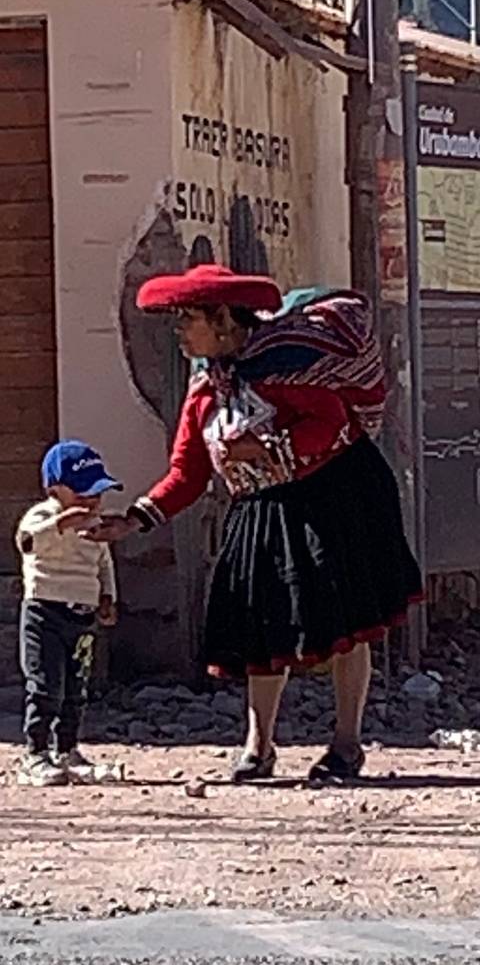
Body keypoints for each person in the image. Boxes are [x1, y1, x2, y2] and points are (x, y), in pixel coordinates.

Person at [86, 264, 422, 784]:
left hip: (334, 496)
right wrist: (134, 519)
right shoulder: (206, 389)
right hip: (262, 507)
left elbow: (330, 422)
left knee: (345, 621)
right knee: (262, 624)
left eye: (187, 320)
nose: (179, 332)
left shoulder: (281, 367)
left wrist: (267, 447)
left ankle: (346, 744)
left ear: (222, 320)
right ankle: (258, 746)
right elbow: (188, 471)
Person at [15, 440, 121, 787]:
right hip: (45, 613)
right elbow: (27, 543)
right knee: (46, 685)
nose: (91, 502)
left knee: (77, 688)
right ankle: (35, 754)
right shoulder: (41, 517)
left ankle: (68, 750)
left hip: (83, 615)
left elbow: (104, 562)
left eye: (97, 493)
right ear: (53, 490)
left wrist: (108, 595)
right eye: (82, 494)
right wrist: (60, 524)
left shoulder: (96, 526)